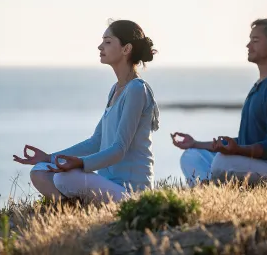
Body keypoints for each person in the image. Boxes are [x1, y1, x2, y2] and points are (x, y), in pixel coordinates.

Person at [13, 19, 160, 203]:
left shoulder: (137, 89)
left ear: (126, 49)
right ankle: (71, 210)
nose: (100, 47)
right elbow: (96, 142)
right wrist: (50, 157)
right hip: (107, 185)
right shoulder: (116, 89)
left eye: (107, 42)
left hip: (132, 193)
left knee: (64, 177)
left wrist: (81, 163)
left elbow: (119, 150)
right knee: (40, 170)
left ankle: (78, 208)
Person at [172, 17, 267, 186]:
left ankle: (209, 188)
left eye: (255, 40)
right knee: (192, 155)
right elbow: (247, 140)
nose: (248, 46)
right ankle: (206, 190)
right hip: (252, 164)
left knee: (222, 163)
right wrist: (196, 143)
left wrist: (237, 150)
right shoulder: (259, 86)